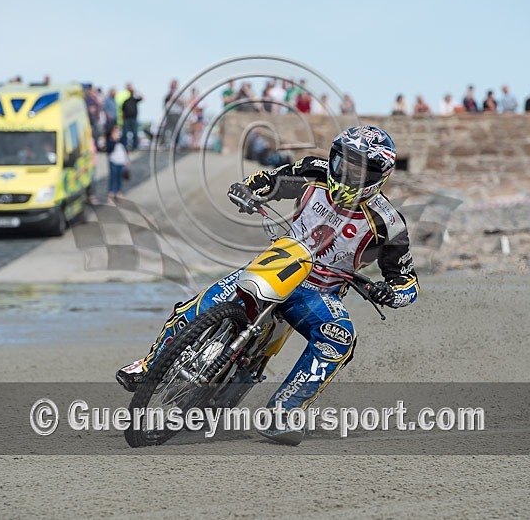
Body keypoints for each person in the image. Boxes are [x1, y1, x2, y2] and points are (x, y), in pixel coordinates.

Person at [116, 125, 419, 445]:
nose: (348, 173)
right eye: (345, 163)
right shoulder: (313, 170)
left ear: (379, 175)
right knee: (200, 302)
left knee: (341, 339)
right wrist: (247, 189)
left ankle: (283, 412)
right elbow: (269, 180)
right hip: (281, 261)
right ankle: (149, 365)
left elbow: (407, 281)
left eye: (360, 169)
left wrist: (391, 292)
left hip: (319, 291)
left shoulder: (390, 223)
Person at [105, 125, 130, 203]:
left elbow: (125, 151)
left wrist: (127, 161)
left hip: (122, 162)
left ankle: (118, 192)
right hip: (114, 162)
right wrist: (114, 141)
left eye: (118, 132)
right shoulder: (110, 141)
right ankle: (111, 193)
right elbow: (109, 150)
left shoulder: (122, 141)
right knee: (113, 178)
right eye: (115, 132)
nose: (117, 134)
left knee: (120, 178)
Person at [121, 83, 142, 151]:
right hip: (126, 119)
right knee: (124, 134)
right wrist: (123, 120)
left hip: (133, 118)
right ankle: (124, 147)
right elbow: (123, 111)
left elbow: (141, 97)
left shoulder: (134, 99)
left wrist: (135, 90)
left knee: (135, 133)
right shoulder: (124, 100)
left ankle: (135, 147)